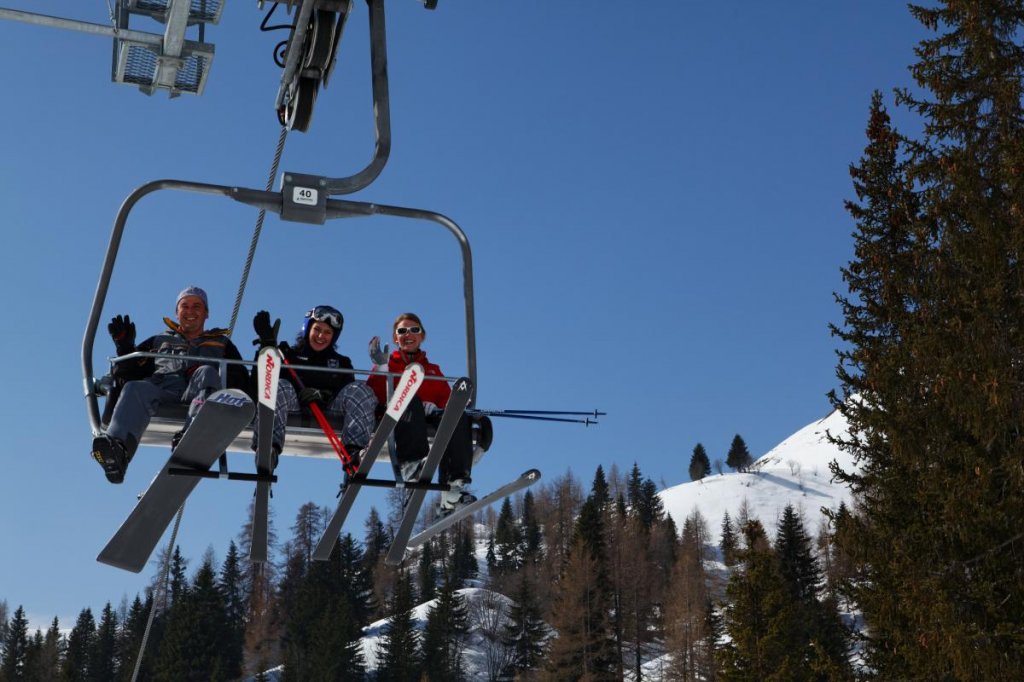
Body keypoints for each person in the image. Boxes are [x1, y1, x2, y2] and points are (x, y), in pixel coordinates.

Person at [92, 286, 249, 484]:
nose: (190, 311)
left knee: (206, 372)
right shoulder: (159, 341)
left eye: (197, 306)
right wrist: (125, 347)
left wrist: (213, 374)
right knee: (135, 388)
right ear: (177, 312)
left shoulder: (221, 344)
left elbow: (240, 376)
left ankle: (193, 435)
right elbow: (128, 372)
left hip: (199, 391)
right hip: (163, 389)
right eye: (185, 306)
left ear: (206, 313)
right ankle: (118, 450)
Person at [367, 312, 477, 515]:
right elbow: (374, 396)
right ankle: (411, 464)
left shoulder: (433, 370)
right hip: (401, 416)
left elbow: (446, 400)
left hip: (430, 416)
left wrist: (442, 407)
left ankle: (453, 486)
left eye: (414, 330)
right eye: (402, 331)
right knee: (409, 398)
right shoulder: (387, 365)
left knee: (458, 415)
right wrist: (382, 368)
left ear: (422, 335)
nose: (408, 334)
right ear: (395, 338)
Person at [251, 305, 377, 469]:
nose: (321, 336)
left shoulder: (342, 363)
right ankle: (268, 449)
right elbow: (260, 383)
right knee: (279, 385)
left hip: (329, 409)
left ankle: (354, 452)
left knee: (360, 390)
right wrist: (266, 346)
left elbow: (348, 392)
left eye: (327, 332)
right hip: (292, 406)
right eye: (317, 329)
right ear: (307, 328)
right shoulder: (287, 354)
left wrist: (324, 395)